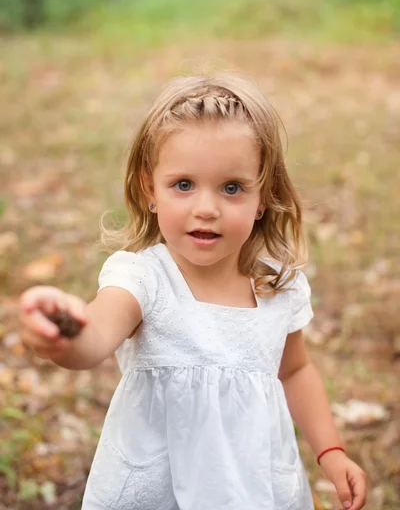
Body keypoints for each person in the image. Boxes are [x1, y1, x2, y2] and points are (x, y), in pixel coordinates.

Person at [19, 73, 367, 510]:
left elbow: (295, 370)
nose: (206, 208)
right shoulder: (144, 278)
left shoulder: (278, 285)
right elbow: (93, 342)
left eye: (232, 188)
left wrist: (330, 451)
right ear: (151, 190)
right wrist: (64, 331)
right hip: (158, 492)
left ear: (264, 197)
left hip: (253, 487)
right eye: (183, 185)